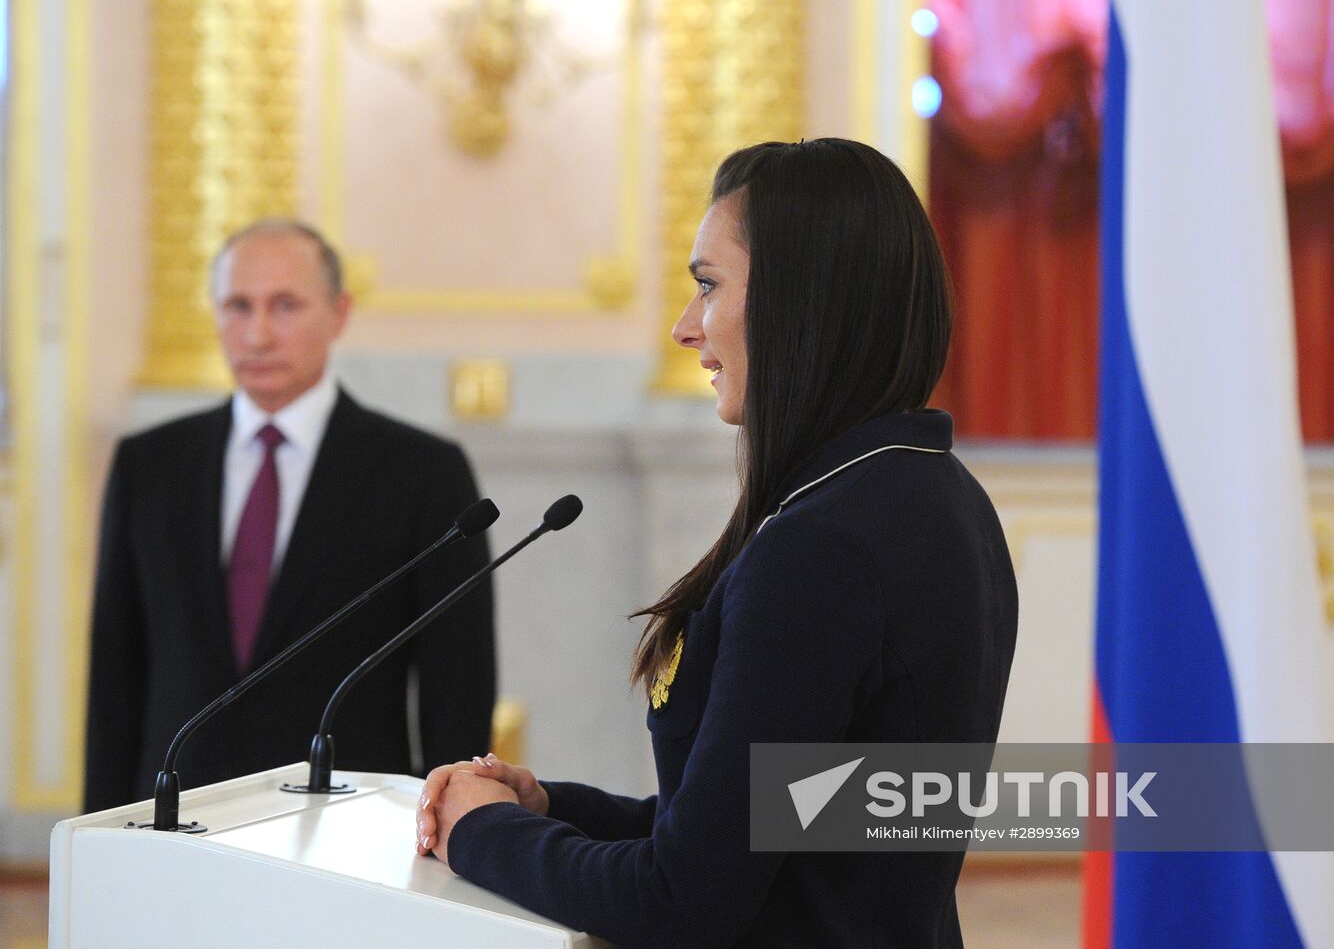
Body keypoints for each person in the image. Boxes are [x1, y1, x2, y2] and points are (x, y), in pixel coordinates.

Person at [416, 139, 1017, 946]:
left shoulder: (822, 548)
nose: (683, 328)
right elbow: (783, 831)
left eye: (708, 286)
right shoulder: (930, 492)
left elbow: (681, 901)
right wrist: (551, 809)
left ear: (802, 300)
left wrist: (478, 833)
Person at [83, 218, 496, 813]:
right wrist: (97, 837)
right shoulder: (149, 465)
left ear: (339, 313)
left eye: (285, 306)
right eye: (237, 306)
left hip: (346, 823)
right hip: (173, 818)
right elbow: (115, 676)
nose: (257, 334)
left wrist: (442, 835)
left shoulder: (423, 472)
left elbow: (456, 685)